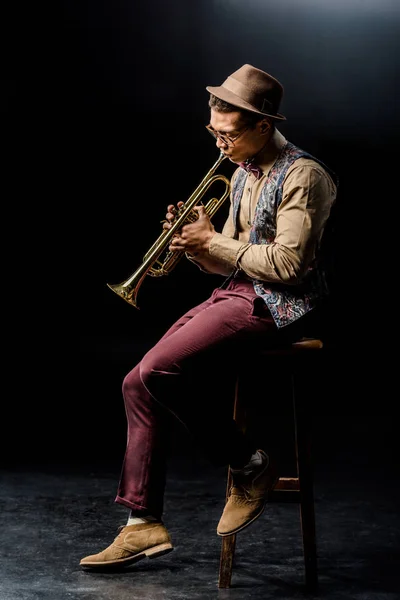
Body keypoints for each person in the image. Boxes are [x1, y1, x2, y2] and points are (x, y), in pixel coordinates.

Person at [80, 63, 337, 570]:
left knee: (157, 371)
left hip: (281, 306)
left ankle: (250, 464)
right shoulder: (241, 173)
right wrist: (195, 245)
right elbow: (230, 258)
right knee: (136, 381)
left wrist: (213, 241)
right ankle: (141, 524)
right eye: (213, 132)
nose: (219, 144)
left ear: (263, 125)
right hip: (237, 293)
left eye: (228, 134)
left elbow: (287, 265)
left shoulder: (305, 175)